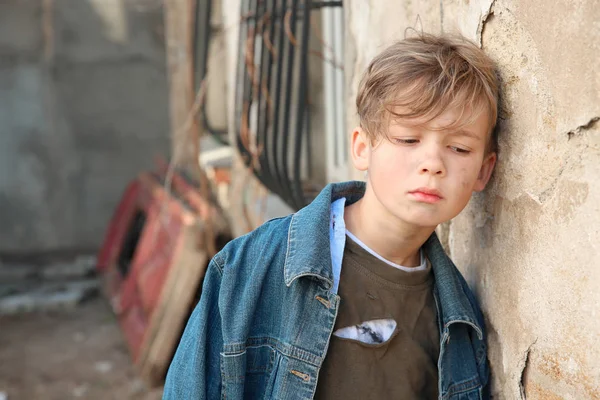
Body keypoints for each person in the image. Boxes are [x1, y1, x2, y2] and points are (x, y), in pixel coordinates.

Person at [163, 32, 499, 400]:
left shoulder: (461, 322)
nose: (432, 164)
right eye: (409, 139)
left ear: (484, 171)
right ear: (361, 148)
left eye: (459, 148)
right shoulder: (253, 267)